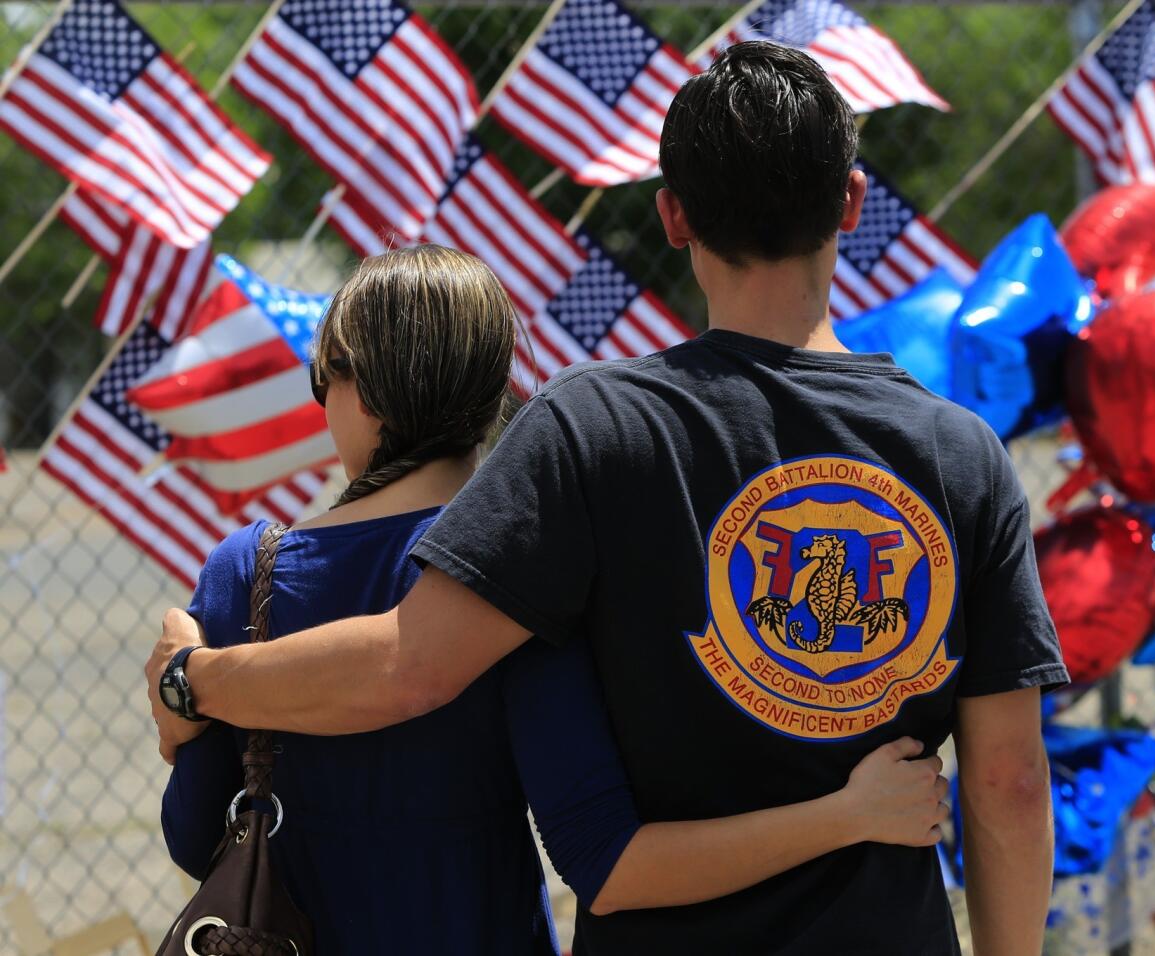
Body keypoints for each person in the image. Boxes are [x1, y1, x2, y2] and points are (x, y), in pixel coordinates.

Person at [150, 42, 1066, 954]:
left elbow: (411, 666)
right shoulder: (963, 455)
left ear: (672, 216)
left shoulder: (591, 427)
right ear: (852, 202)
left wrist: (197, 679)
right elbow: (1010, 784)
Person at [158, 244, 950, 954]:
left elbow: (195, 835)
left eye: (320, 379)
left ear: (360, 391)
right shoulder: (526, 567)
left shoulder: (245, 575)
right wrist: (848, 814)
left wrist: (189, 683)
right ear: (489, 394)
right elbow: (605, 856)